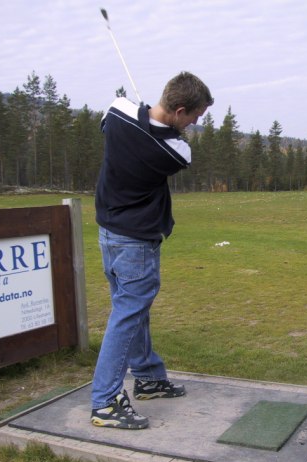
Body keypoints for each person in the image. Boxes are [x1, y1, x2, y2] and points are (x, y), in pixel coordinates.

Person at [91, 72, 214, 429]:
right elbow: (171, 139)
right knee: (127, 316)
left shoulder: (117, 111)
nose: (194, 124)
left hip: (108, 234)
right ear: (179, 109)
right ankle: (105, 401)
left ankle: (147, 376)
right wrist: (156, 126)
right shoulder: (176, 150)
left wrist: (145, 117)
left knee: (134, 311)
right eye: (194, 117)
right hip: (136, 242)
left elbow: (118, 116)